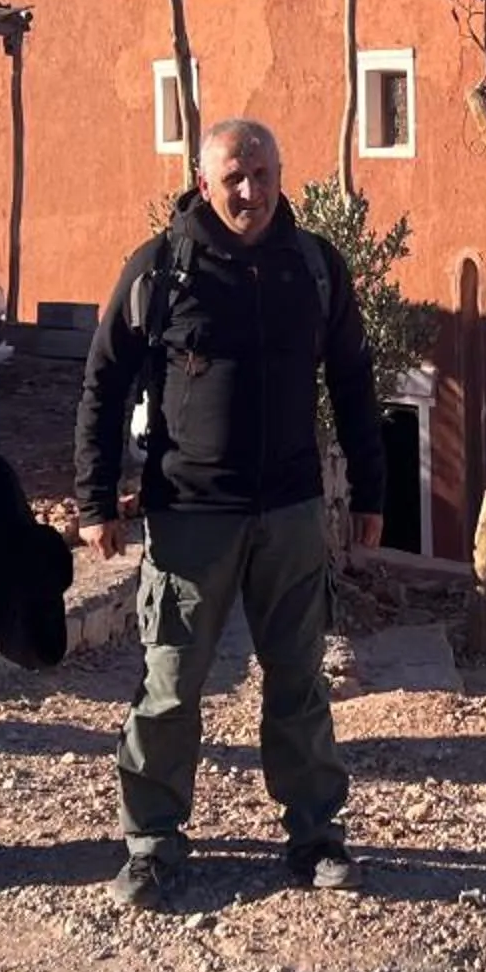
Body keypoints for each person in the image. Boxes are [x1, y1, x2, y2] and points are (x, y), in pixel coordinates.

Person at [75, 115, 385, 908]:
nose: (249, 191)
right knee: (172, 684)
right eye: (233, 178)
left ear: (283, 174)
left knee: (298, 679)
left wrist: (375, 496)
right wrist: (95, 497)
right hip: (189, 513)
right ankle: (151, 843)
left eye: (262, 173)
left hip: (289, 509)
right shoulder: (162, 267)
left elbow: (353, 380)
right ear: (204, 183)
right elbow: (104, 383)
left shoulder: (315, 266)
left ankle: (314, 833)